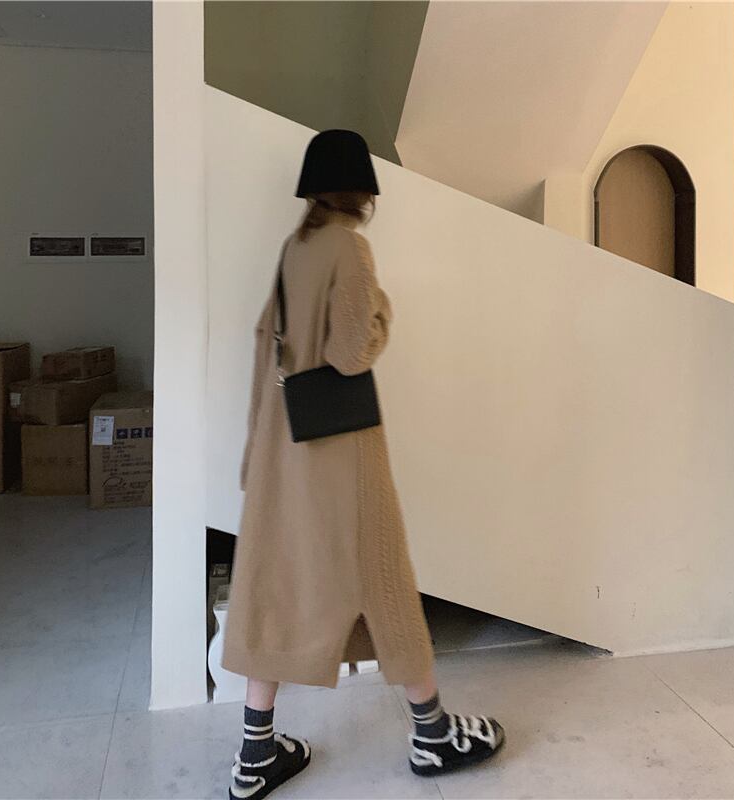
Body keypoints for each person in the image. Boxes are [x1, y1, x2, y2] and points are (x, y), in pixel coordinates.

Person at [223, 129, 505, 800]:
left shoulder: (293, 249)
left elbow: (266, 348)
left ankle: (255, 752)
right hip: (342, 453)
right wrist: (382, 308)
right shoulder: (350, 248)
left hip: (282, 452)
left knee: (276, 587)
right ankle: (433, 734)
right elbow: (352, 353)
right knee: (384, 579)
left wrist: (253, 453)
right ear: (362, 194)